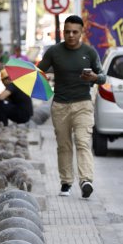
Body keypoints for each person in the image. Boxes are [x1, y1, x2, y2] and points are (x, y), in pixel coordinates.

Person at [37, 14, 105, 199]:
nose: (71, 35)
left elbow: (103, 76)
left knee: (83, 142)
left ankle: (86, 181)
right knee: (64, 145)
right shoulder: (54, 52)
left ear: (81, 32)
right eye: (67, 32)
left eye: (75, 32)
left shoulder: (90, 53)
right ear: (63, 32)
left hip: (83, 104)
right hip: (60, 105)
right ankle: (66, 182)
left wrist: (94, 78)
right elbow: (39, 71)